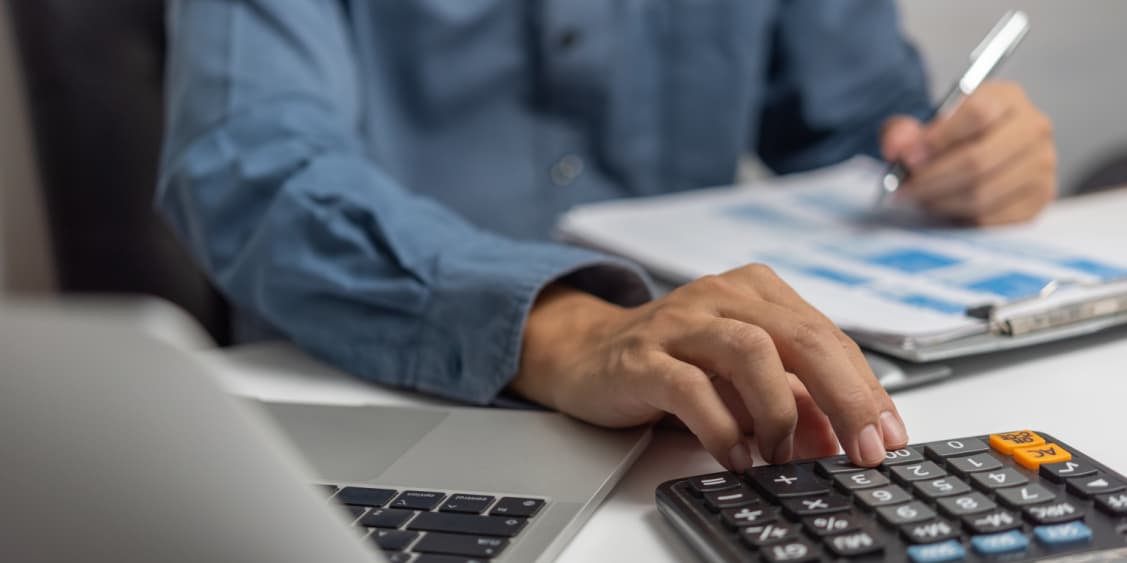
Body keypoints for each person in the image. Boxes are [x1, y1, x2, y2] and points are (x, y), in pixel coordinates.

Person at [158, 1, 1057, 470]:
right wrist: (565, 327)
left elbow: (854, 126)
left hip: (695, 412)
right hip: (367, 400)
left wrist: (951, 155)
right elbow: (248, 167)